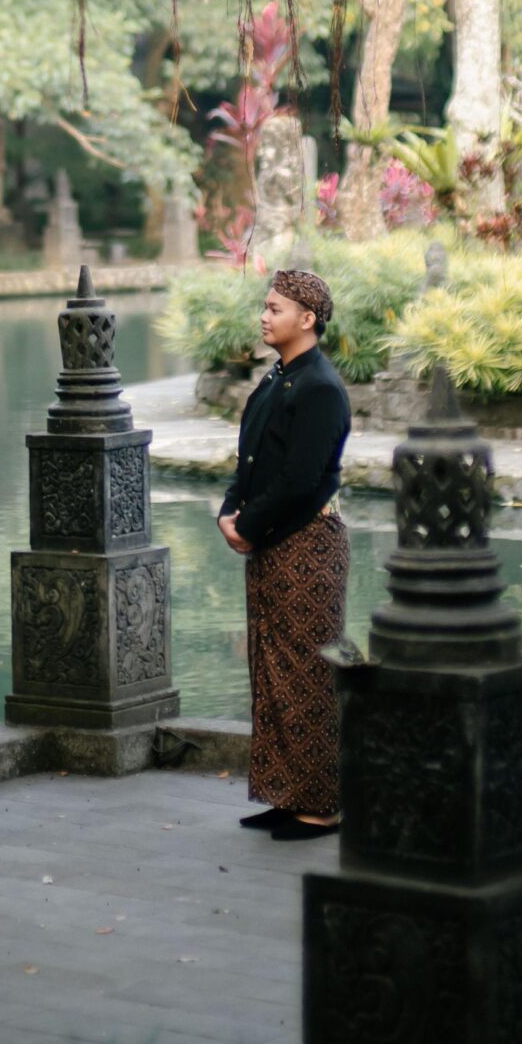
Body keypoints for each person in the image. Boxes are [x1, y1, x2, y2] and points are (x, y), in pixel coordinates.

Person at [217, 266, 352, 838]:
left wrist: (248, 526)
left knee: (308, 672)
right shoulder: (277, 379)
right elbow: (249, 461)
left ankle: (319, 806)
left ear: (307, 318)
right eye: (266, 306)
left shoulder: (320, 387)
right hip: (275, 540)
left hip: (308, 544)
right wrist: (229, 512)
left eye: (275, 308)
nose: (264, 316)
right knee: (271, 668)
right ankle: (286, 794)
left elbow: (302, 481)